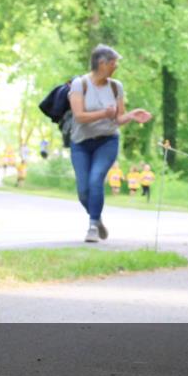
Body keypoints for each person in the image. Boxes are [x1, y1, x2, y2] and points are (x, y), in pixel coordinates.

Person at [67, 45, 152, 242]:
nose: (117, 66)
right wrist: (103, 113)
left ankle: (92, 226)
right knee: (83, 191)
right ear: (102, 64)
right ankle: (96, 218)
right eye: (114, 63)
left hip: (107, 141)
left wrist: (132, 115)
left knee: (96, 179)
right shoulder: (80, 84)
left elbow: (118, 119)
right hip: (81, 143)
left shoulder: (116, 87)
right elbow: (79, 116)